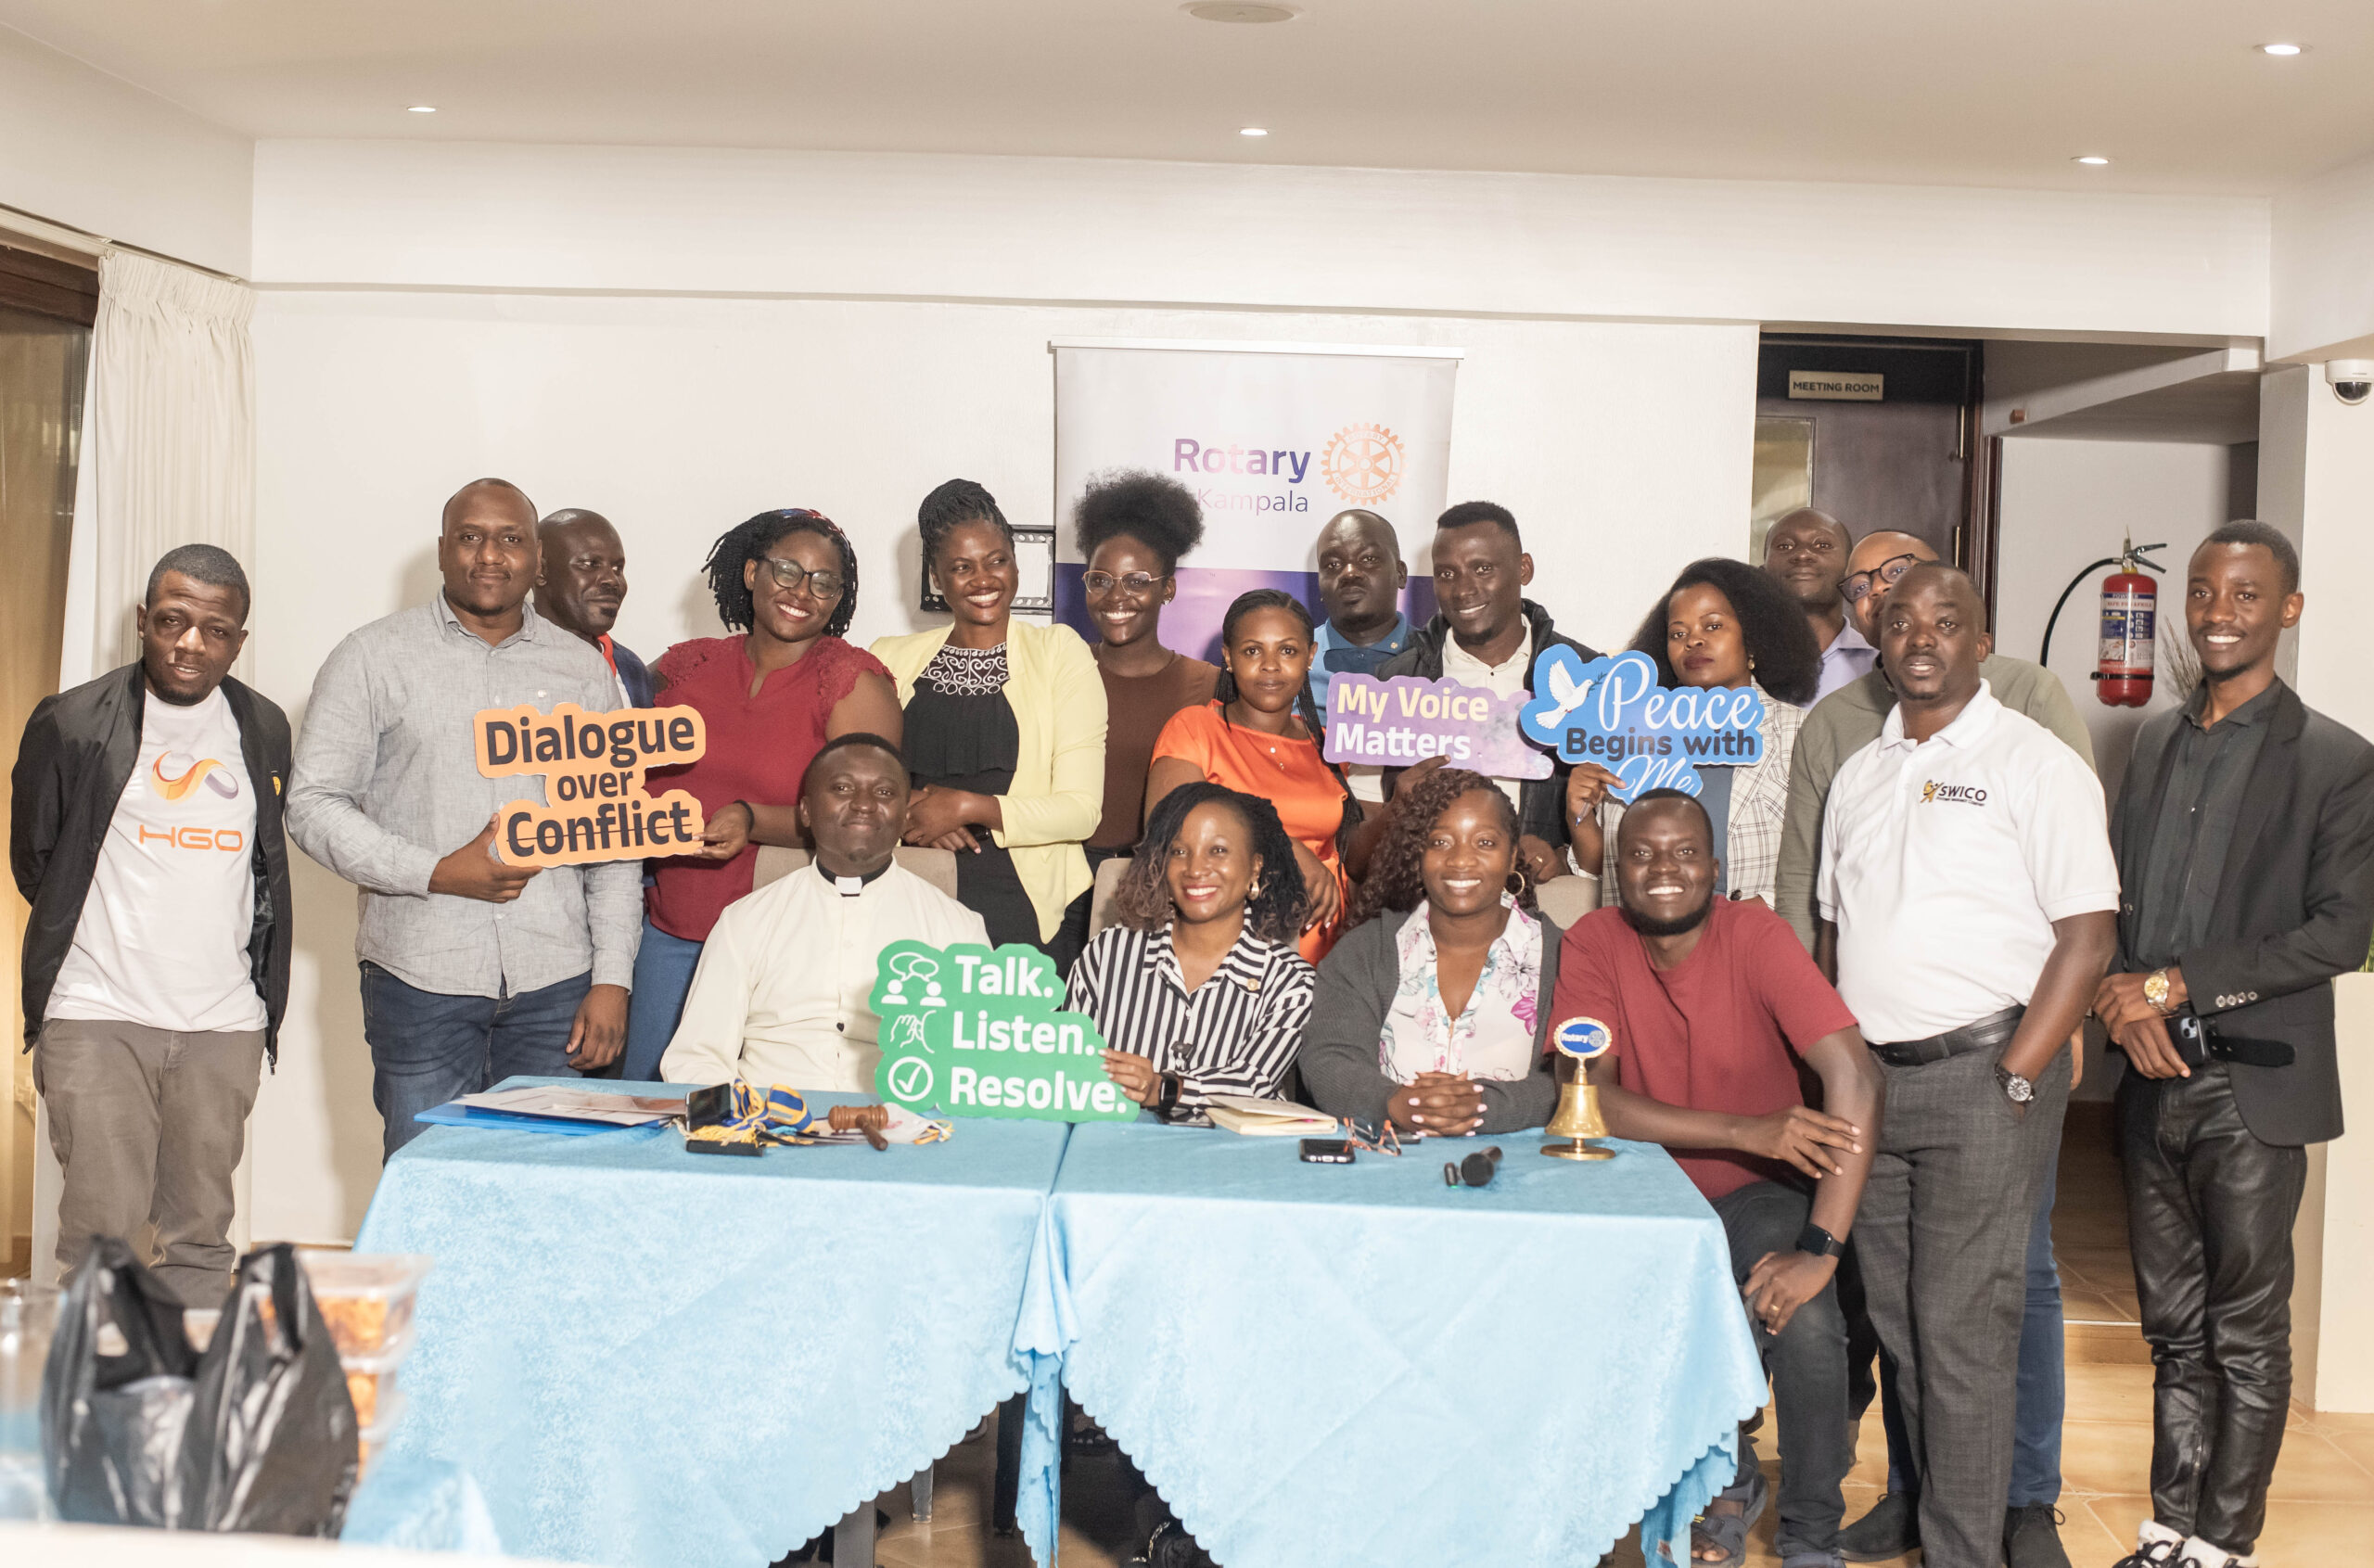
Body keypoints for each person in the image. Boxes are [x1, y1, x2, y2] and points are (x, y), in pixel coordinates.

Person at [1775, 527, 2093, 1567]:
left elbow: (2088, 936)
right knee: (1908, 1333)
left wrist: (2018, 1075)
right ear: (1879, 639)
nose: (1920, 639)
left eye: (1945, 622)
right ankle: (1946, 1529)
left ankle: (1966, 1552)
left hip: (1982, 1077)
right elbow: (1833, 937)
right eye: (1903, 622)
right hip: (1874, 1088)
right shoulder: (1861, 771)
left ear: (1981, 641)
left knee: (1961, 1335)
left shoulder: (2032, 761)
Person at [2094, 523, 2374, 1568]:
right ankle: (2169, 1530)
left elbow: (2340, 933)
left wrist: (2172, 985)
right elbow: (2119, 901)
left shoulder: (2339, 760)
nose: (2219, 612)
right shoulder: (2153, 743)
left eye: (2246, 595)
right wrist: (2125, 1006)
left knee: (2244, 1332)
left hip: (2252, 1087)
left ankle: (2225, 1546)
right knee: (2171, 1328)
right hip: (2148, 1079)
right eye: (2205, 591)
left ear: (2287, 609)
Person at [1558, 789, 1883, 1568]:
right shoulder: (1594, 940)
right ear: (1617, 870)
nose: (1663, 868)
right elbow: (1588, 1099)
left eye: (1683, 852)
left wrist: (1821, 1250)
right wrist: (1747, 1127)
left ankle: (1811, 1534)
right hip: (1645, 1196)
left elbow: (1856, 1076)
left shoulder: (1756, 934)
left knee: (1803, 1310)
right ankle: (1718, 1482)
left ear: (1714, 865)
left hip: (1755, 1193)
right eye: (1640, 853)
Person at [287, 478, 641, 1158]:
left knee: (543, 1186)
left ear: (537, 557)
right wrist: (436, 871)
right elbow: (312, 803)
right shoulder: (371, 656)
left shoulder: (584, 673)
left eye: (510, 539)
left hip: (557, 983)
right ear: (443, 550)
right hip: (421, 978)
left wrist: (612, 979)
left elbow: (614, 836)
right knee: (427, 1180)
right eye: (471, 537)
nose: (490, 555)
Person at [12, 546, 290, 1305]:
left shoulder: (263, 726)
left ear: (238, 640)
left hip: (223, 1023)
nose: (190, 643)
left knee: (201, 1237)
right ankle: (95, 1381)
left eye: (215, 629)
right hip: (99, 1012)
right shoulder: (71, 721)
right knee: (103, 1240)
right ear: (143, 620)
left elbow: (264, 865)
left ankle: (186, 1378)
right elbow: (38, 861)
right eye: (172, 621)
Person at [621, 509, 900, 1079]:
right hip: (672, 934)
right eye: (788, 571)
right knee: (652, 1104)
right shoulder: (684, 668)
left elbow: (866, 821)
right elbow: (601, 756)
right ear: (752, 573)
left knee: (775, 1110)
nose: (802, 592)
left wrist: (752, 820)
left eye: (824, 582)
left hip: (788, 945)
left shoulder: (852, 682)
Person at [658, 734, 988, 1091]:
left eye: (884, 792)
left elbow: (976, 1065)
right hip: (767, 1115)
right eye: (843, 788)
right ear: (806, 811)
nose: (864, 804)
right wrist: (743, 1120)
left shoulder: (957, 929)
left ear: (905, 814)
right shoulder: (745, 920)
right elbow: (696, 1060)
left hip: (900, 1116)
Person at [874, 479, 1107, 968]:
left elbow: (1081, 811)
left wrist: (963, 807)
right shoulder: (890, 657)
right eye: (961, 567)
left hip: (1021, 899)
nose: (983, 579)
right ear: (936, 577)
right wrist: (912, 814)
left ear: (1016, 563)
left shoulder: (1059, 652)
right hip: (907, 886)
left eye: (997, 560)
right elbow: (861, 783)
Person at [1299, 766, 1562, 1135]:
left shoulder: (1562, 954)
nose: (1461, 860)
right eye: (1440, 842)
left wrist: (1483, 1107)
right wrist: (1393, 1104)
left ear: (1512, 855)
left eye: (1485, 842)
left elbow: (1575, 1077)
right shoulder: (1366, 949)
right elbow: (1329, 1058)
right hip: (1387, 1156)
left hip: (1523, 1163)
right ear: (1418, 854)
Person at [1564, 557, 1817, 905]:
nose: (1693, 641)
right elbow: (1602, 871)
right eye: (1678, 634)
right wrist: (1579, 814)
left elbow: (1824, 862)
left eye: (1712, 626)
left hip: (1754, 934)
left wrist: (1757, 913)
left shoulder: (1799, 733)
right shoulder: (1629, 735)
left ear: (1753, 639)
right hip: (1644, 934)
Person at [1376, 501, 1599, 886]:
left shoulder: (1589, 678)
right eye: (1446, 573)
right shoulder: (1395, 682)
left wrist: (1564, 858)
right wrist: (1398, 809)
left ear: (1524, 569)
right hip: (1427, 900)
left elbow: (1619, 829)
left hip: (1546, 903)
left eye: (1482, 569)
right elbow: (1359, 853)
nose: (1463, 590)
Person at [1068, 782, 1317, 1110]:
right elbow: (1067, 1066)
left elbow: (1254, 1082)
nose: (1195, 869)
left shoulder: (1293, 982)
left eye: (1218, 851)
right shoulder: (1107, 954)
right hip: (1114, 1138)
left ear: (1255, 867)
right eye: (1179, 852)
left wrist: (1164, 1089)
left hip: (1231, 1143)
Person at [1147, 589, 1359, 964]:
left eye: (1287, 651)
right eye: (1252, 651)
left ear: (1310, 656)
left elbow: (1352, 849)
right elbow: (1168, 831)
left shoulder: (1328, 746)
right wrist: (1283, 845)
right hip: (1234, 953)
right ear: (1229, 657)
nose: (1270, 666)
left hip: (1332, 951)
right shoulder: (1195, 729)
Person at [1073, 470, 1218, 863]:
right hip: (1062, 879)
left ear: (1167, 589)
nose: (1115, 596)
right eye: (1100, 580)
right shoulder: (1063, 669)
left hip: (1160, 875)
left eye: (1136, 581)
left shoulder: (1208, 685)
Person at [1308, 509, 1414, 804]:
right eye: (1332, 564)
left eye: (1368, 559)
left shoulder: (1440, 659)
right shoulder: (1287, 664)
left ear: (1401, 573)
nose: (1349, 573)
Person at [534, 508, 654, 708]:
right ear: (540, 570)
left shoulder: (631, 669)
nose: (612, 580)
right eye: (590, 564)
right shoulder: (502, 659)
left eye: (617, 568)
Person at [1763, 507, 1874, 704]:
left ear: (1850, 570)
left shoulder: (1880, 665)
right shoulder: (1739, 663)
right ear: (1763, 570)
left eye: (1822, 545)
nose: (1802, 555)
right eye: (1784, 546)